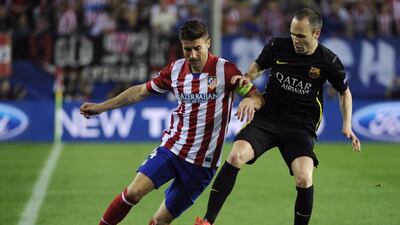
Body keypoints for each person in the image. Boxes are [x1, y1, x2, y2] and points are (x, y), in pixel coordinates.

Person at [80, 19, 264, 225]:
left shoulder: (226, 71)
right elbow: (140, 92)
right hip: (173, 150)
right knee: (133, 192)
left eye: (197, 48)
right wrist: (101, 107)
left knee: (159, 221)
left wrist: (249, 99)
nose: (192, 55)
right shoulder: (175, 70)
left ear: (208, 43)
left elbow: (257, 98)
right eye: (187, 49)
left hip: (203, 166)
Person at [194, 8, 361, 225]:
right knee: (236, 155)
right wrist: (247, 78)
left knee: (304, 178)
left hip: (300, 126)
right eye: (292, 33)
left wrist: (347, 124)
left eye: (301, 35)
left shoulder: (328, 60)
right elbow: (258, 66)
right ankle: (207, 221)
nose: (295, 40)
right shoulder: (278, 46)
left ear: (316, 34)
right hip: (268, 117)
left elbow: (344, 92)